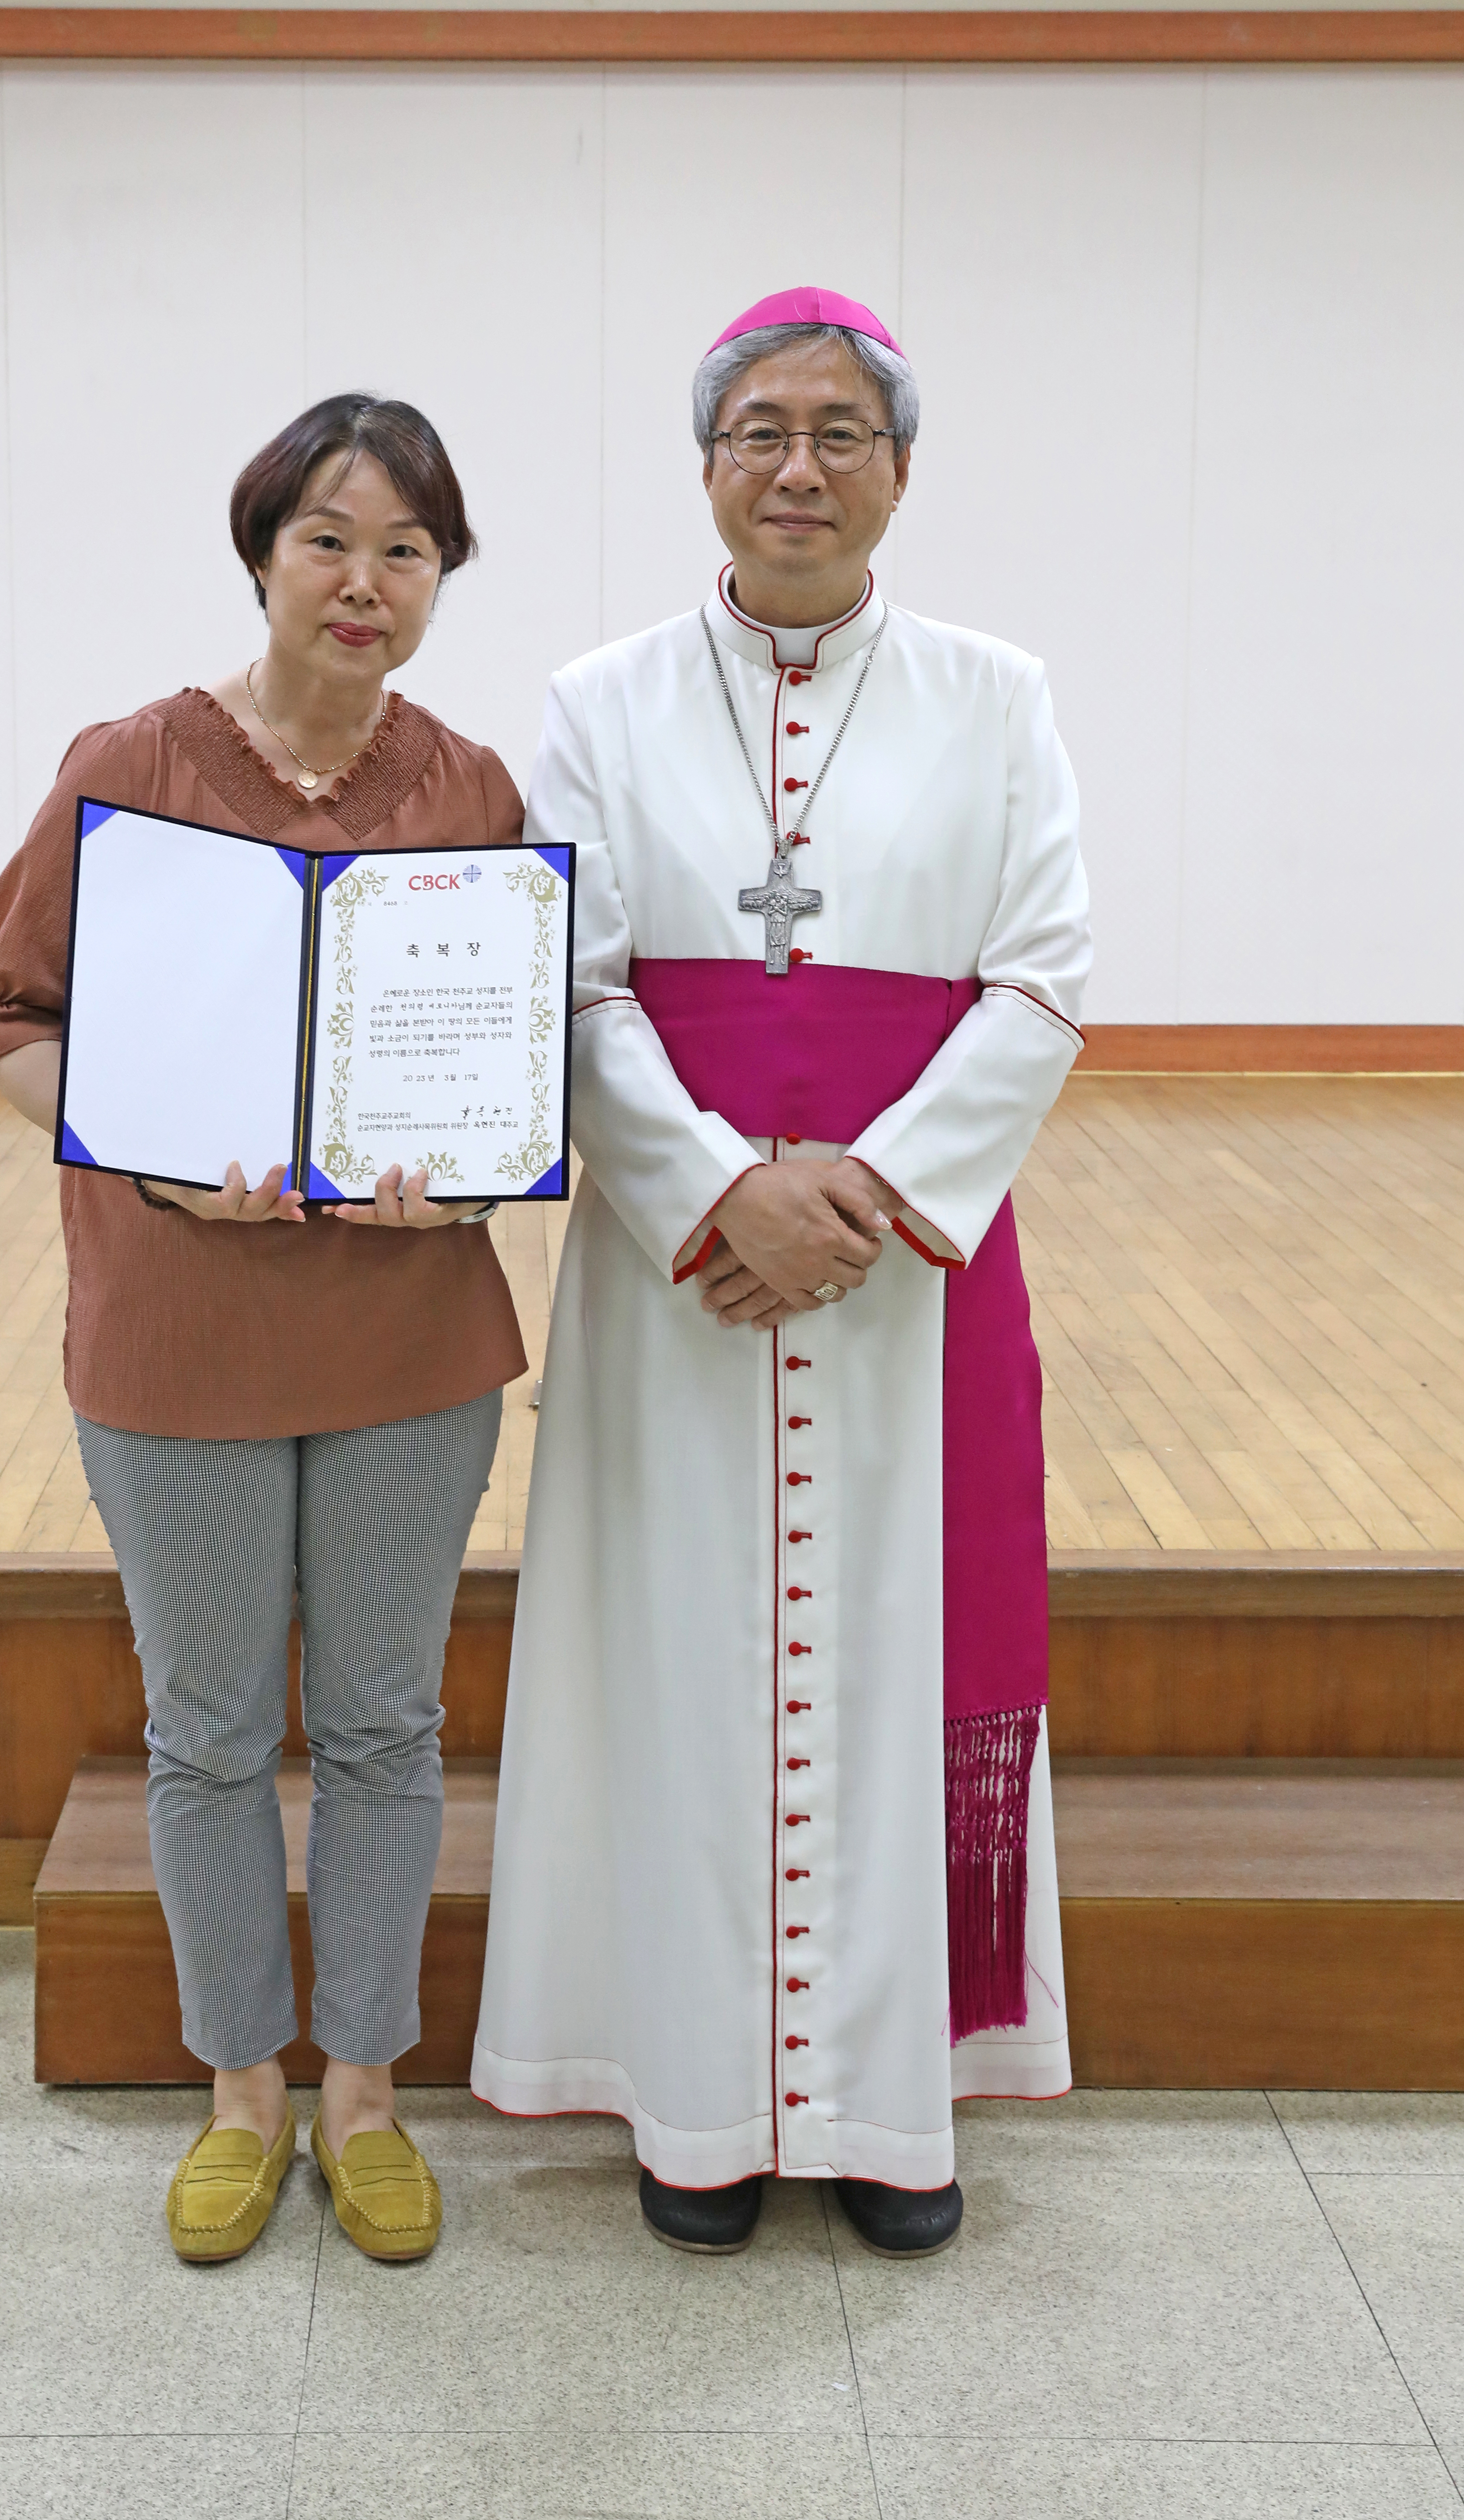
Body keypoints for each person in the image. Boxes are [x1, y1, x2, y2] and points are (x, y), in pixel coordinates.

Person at [472, 286, 1091, 2255]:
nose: (798, 465)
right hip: (679, 1288)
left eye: (839, 429)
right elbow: (565, 980)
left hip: (901, 1287)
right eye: (759, 429)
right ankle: (696, 2110)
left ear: (898, 467)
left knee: (899, 1663)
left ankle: (891, 2114)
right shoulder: (599, 699)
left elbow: (1042, 974)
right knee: (671, 1662)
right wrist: (717, 1190)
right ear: (708, 465)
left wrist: (866, 1196)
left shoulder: (998, 697)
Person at [0, 393, 527, 2267]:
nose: (364, 584)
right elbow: (4, 1021)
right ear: (260, 553)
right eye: (328, 543)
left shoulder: (470, 790)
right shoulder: (129, 761)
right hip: (174, 1330)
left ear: (442, 579)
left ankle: (361, 2087)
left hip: (405, 1343)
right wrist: (135, 1142)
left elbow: (500, 1063)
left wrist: (471, 1162)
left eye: (406, 552)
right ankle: (236, 2089)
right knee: (203, 1732)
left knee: (380, 1724)